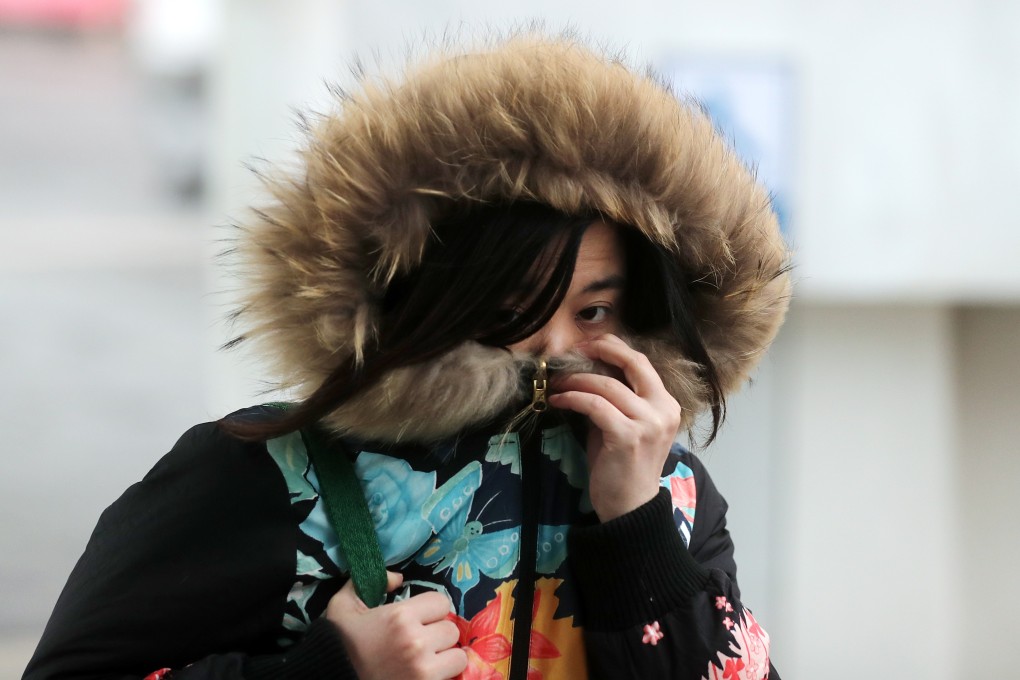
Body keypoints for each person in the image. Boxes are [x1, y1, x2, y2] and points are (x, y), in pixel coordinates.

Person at [24, 32, 790, 680]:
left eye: (594, 310)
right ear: (425, 295)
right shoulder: (265, 474)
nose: (559, 348)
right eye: (512, 309)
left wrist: (636, 525)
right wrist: (331, 668)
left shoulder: (671, 490)